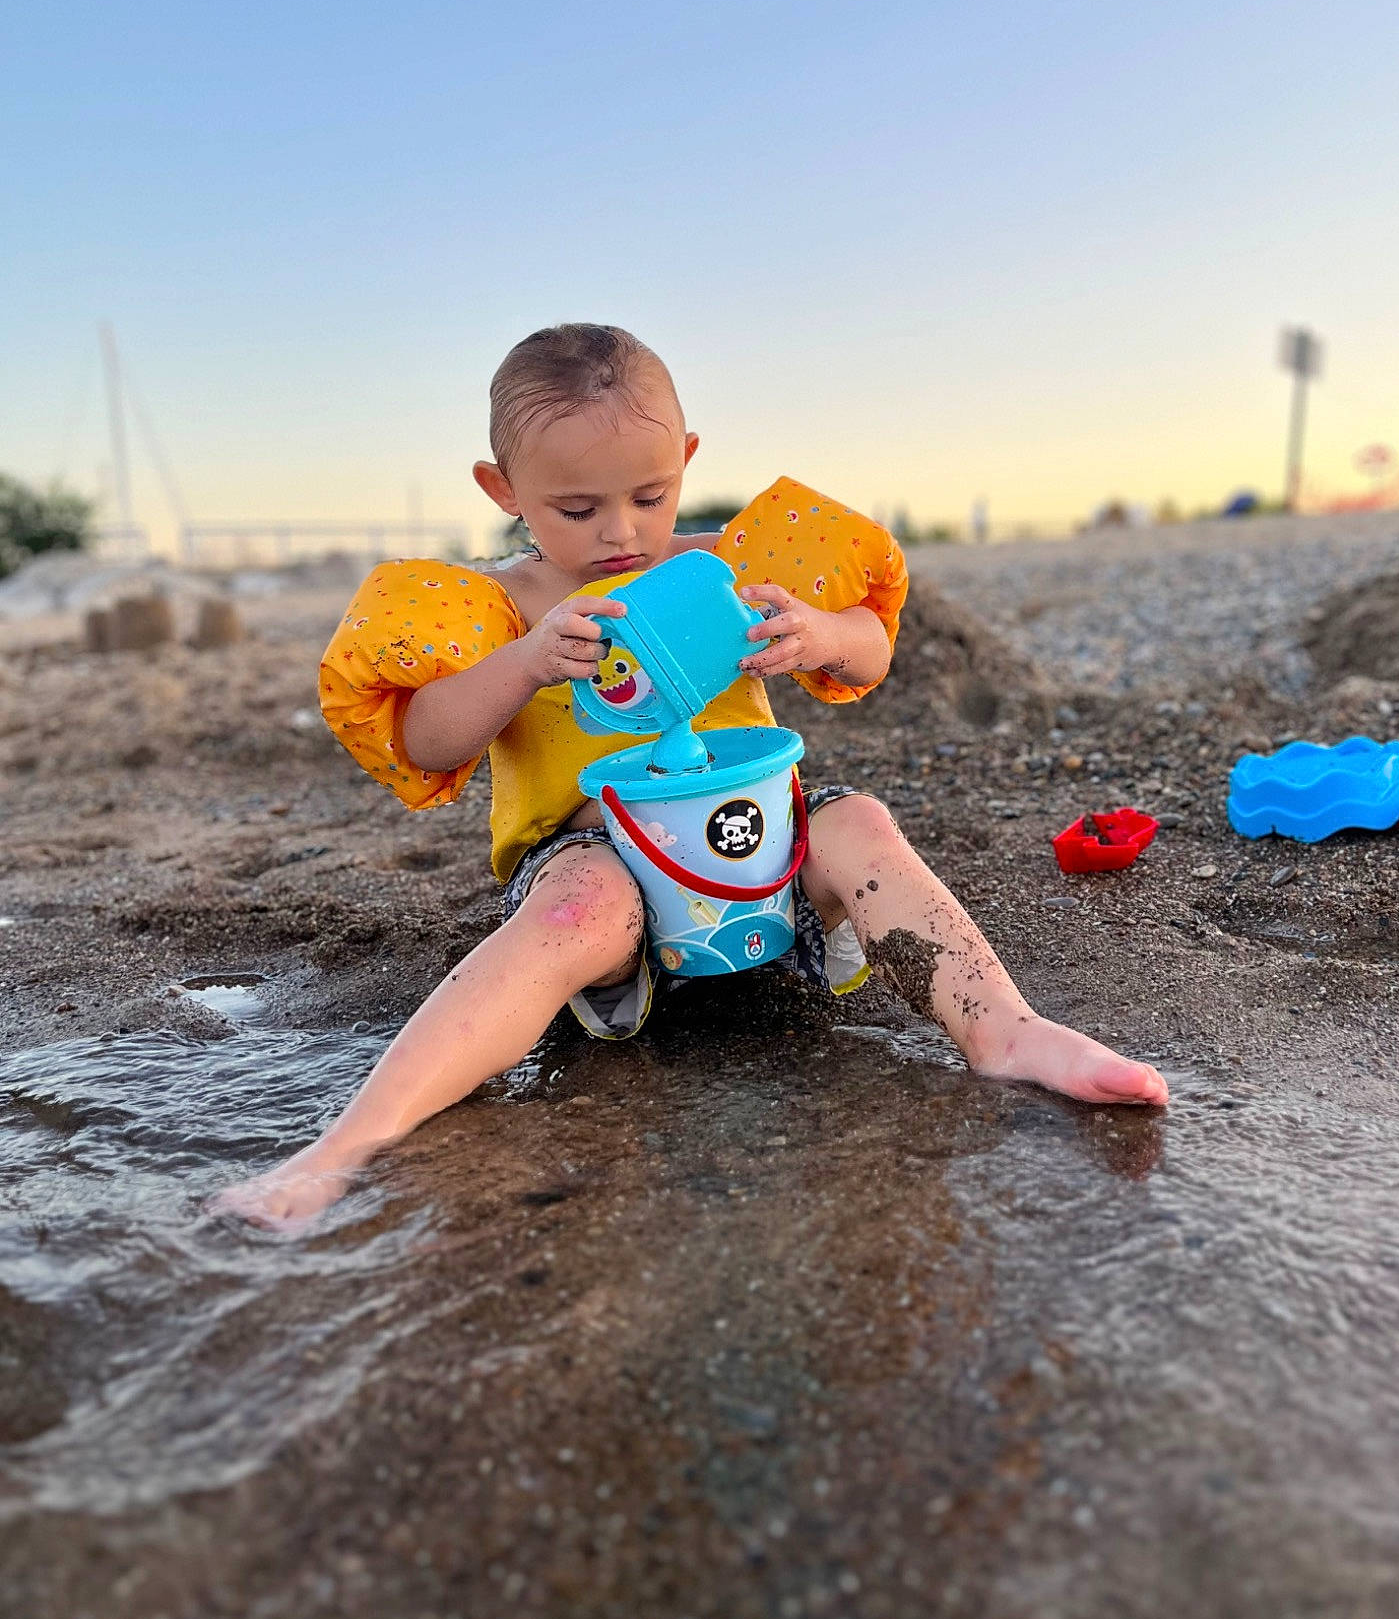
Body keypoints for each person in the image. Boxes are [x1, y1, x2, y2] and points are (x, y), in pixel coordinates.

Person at [213, 326, 1166, 1225]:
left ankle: (1003, 1027)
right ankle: (354, 1140)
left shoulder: (725, 567)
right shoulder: (499, 605)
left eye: (650, 495)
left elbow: (871, 649)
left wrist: (817, 634)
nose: (621, 532)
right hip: (607, 876)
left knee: (860, 823)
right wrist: (527, 663)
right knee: (576, 906)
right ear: (504, 489)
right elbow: (426, 739)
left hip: (761, 857)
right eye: (577, 509)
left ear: (688, 459)